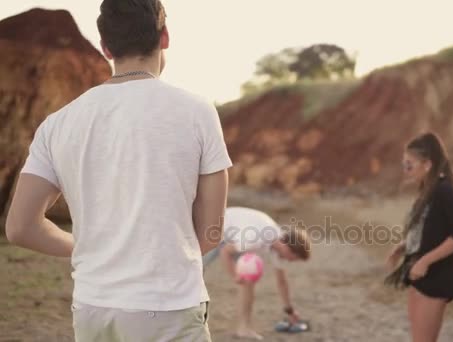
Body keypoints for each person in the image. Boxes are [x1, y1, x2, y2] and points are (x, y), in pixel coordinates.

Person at [5, 1, 232, 340]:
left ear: (106, 47)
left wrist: (89, 246)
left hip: (94, 308)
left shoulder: (58, 124)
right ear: (165, 36)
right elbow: (211, 233)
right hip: (168, 306)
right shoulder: (196, 112)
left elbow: (20, 227)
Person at [385, 132, 453, 342]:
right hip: (420, 275)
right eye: (403, 165)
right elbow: (427, 230)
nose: (406, 171)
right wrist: (402, 247)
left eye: (409, 165)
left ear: (427, 164)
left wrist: (425, 261)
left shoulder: (445, 191)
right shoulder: (428, 190)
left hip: (437, 276)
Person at [203, 206, 310, 340]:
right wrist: (235, 276)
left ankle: (244, 328)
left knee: (248, 279)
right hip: (215, 228)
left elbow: (282, 282)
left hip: (235, 236)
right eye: (292, 258)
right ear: (287, 247)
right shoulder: (256, 237)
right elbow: (225, 251)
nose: (289, 261)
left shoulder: (278, 245)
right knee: (195, 271)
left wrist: (289, 310)